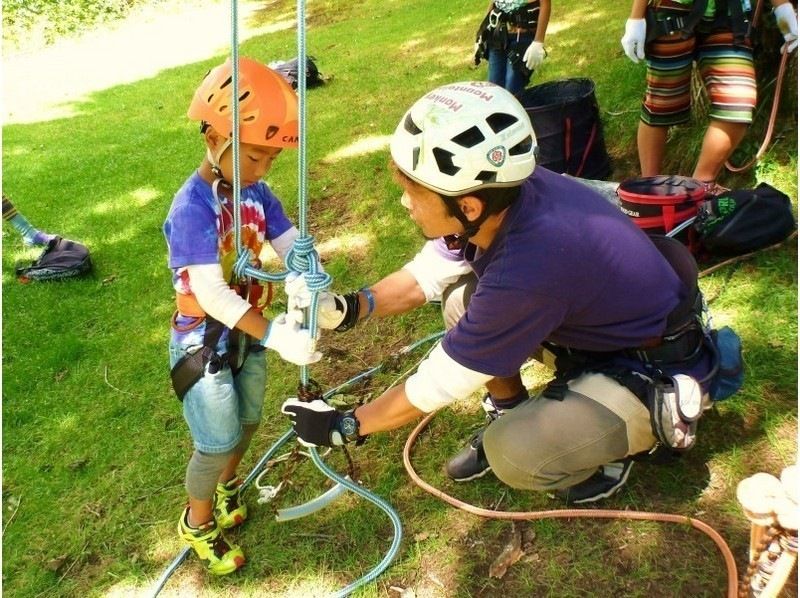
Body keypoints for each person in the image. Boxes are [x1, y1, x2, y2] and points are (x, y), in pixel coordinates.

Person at [281, 81, 716, 505]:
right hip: (598, 333)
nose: (404, 203)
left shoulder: (532, 262)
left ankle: (618, 447)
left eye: (412, 192)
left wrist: (347, 424)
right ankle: (515, 408)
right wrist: (349, 308)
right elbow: (428, 273)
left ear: (467, 205)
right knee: (459, 302)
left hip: (649, 365)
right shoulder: (507, 197)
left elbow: (442, 380)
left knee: (514, 455)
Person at [164, 56, 321, 575]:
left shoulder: (255, 191)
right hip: (204, 344)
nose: (264, 169)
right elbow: (211, 296)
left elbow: (289, 240)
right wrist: (276, 332)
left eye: (271, 158)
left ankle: (230, 486)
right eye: (256, 156)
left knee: (249, 421)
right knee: (215, 441)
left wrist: (307, 269)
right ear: (216, 138)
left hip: (247, 335)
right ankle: (197, 519)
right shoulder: (192, 209)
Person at [620, 0, 798, 187]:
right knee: (662, 103)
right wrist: (636, 17)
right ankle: (648, 188)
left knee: (737, 102)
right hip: (673, 9)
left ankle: (698, 188)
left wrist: (783, 9)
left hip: (729, 15)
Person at [474, 0, 551, 95]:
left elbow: (545, 4)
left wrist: (538, 41)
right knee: (495, 90)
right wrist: (483, 31)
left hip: (522, 36)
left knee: (513, 90)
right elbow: (494, 2)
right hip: (498, 35)